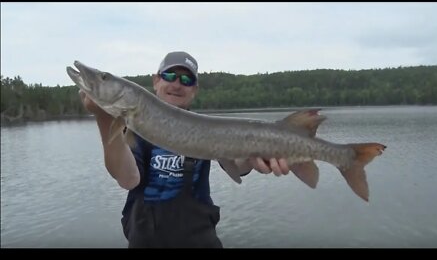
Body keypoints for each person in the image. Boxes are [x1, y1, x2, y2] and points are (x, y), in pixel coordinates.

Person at [79, 51, 290, 248]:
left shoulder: (204, 127)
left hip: (200, 239)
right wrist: (104, 117)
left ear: (194, 90)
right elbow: (128, 179)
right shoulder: (135, 128)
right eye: (170, 76)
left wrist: (255, 158)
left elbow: (237, 164)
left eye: (187, 80)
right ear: (156, 81)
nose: (177, 84)